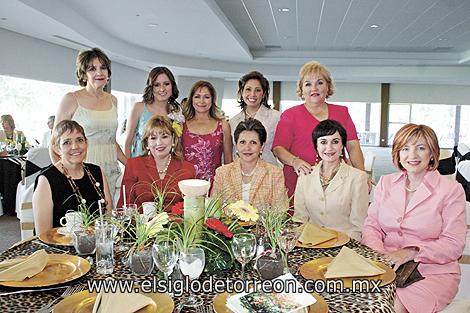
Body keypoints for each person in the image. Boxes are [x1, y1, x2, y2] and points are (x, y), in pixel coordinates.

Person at [362, 123, 467, 313]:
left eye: (421, 148)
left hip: (432, 271)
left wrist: (410, 252)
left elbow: (453, 243)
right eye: (405, 148)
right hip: (387, 265)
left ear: (432, 154)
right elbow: (372, 227)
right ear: (398, 154)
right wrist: (380, 254)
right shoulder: (386, 183)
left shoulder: (451, 190)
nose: (412, 155)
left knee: (389, 306)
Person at [272, 60, 365, 198]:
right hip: (299, 182)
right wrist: (294, 161)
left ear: (328, 87)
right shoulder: (290, 115)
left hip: (337, 182)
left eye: (320, 83)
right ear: (301, 90)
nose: (314, 88)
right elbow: (278, 148)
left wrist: (361, 176)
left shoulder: (342, 112)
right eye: (308, 84)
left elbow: (353, 147)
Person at [52, 48, 125, 196]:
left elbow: (112, 141)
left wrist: (131, 165)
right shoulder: (71, 99)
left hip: (110, 167)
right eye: (92, 69)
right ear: (84, 74)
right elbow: (55, 143)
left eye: (103, 68)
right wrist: (61, 175)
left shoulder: (113, 100)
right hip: (81, 167)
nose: (99, 73)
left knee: (107, 216)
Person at [33, 120, 112, 234]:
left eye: (79, 140)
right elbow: (43, 235)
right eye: (67, 142)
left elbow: (108, 217)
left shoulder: (96, 171)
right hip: (58, 249)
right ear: (56, 148)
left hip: (97, 244)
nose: (75, 146)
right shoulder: (46, 180)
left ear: (86, 143)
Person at [294, 120, 368, 241]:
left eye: (335, 142)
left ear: (342, 145)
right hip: (310, 243)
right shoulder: (305, 175)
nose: (329, 148)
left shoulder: (357, 178)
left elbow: (358, 225)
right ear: (316, 146)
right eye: (323, 142)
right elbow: (299, 218)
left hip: (344, 244)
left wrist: (342, 245)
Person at [117, 116, 196, 212]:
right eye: (153, 138)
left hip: (176, 225)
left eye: (165, 137)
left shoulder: (188, 169)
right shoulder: (133, 165)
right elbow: (124, 206)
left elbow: (193, 209)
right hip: (141, 224)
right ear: (147, 143)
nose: (159, 143)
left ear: (173, 140)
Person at [211, 118, 288, 212]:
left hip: (263, 226)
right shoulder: (222, 173)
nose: (247, 148)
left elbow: (280, 211)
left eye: (253, 143)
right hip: (227, 226)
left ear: (262, 146)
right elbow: (213, 209)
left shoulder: (274, 173)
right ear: (236, 145)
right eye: (242, 142)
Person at [124, 66, 183, 158]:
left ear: (172, 86)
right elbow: (128, 143)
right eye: (157, 85)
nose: (162, 89)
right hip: (139, 167)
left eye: (166, 84)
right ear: (151, 87)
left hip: (167, 168)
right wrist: (129, 168)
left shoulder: (176, 112)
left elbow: (178, 147)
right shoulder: (139, 107)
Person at [181, 80, 232, 182]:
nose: (201, 101)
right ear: (191, 99)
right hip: (187, 185)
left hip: (215, 186)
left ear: (212, 100)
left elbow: (228, 160)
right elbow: (177, 159)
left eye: (206, 97)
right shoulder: (181, 125)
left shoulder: (223, 125)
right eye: (197, 96)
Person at [229, 71, 281, 166]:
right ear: (241, 92)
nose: (252, 94)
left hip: (268, 173)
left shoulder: (277, 118)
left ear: (264, 93)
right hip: (240, 174)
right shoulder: (232, 122)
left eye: (257, 90)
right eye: (248, 89)